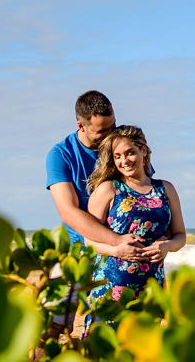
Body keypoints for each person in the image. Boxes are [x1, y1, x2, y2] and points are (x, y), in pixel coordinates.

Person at [45, 90, 150, 334]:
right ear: (80, 125)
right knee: (52, 327)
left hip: (123, 258)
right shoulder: (61, 155)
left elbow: (146, 197)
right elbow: (69, 212)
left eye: (112, 126)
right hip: (79, 253)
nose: (110, 135)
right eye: (103, 131)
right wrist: (116, 242)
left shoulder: (123, 149)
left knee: (117, 330)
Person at [82, 125, 186, 331]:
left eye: (130, 153)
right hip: (109, 286)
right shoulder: (108, 189)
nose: (124, 160)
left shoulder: (166, 189)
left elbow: (180, 236)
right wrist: (116, 249)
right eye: (118, 155)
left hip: (151, 286)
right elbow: (89, 240)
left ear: (143, 151)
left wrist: (167, 247)